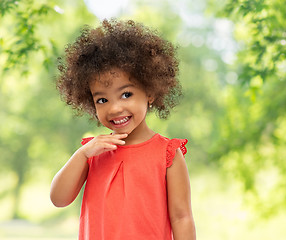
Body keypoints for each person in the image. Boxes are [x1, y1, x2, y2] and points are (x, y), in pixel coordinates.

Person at [50, 19, 196, 240]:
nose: (115, 108)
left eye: (126, 94)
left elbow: (182, 217)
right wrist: (82, 154)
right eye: (102, 100)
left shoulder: (167, 153)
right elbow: (58, 198)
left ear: (149, 92)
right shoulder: (93, 153)